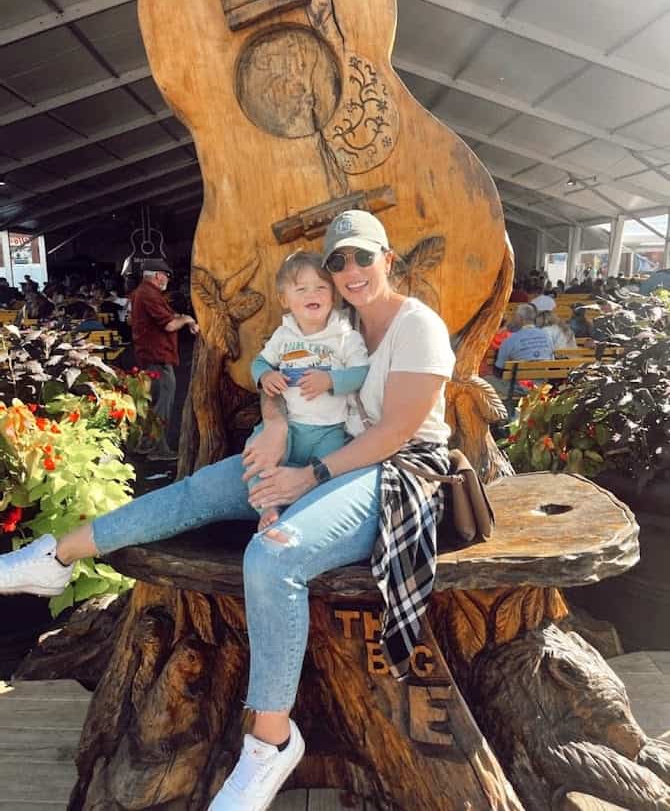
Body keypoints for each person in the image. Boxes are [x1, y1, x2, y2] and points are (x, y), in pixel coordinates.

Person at [0, 211, 456, 810]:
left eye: (362, 258)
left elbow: (396, 431)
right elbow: (282, 383)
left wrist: (306, 477)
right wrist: (273, 428)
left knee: (271, 558)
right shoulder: (334, 319)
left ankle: (270, 742)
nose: (350, 271)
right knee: (198, 492)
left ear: (387, 260)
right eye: (339, 261)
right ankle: (56, 555)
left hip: (394, 471)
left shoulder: (416, 325)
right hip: (318, 453)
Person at [246, 250, 368, 530]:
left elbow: (361, 373)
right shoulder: (284, 334)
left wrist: (331, 381)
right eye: (301, 289)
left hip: (330, 429)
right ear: (284, 300)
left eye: (321, 287)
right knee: (255, 450)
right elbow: (260, 362)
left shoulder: (344, 335)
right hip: (291, 426)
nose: (311, 294)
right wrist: (265, 374)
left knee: (327, 475)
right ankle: (268, 506)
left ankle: (304, 515)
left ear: (333, 295)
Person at [131, 258, 200, 461]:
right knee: (163, 404)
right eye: (166, 276)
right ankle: (158, 449)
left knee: (153, 403)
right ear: (158, 276)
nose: (167, 279)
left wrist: (183, 318)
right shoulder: (149, 294)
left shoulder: (142, 293)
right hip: (158, 357)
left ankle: (145, 444)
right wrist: (188, 320)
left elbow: (167, 317)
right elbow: (169, 324)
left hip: (149, 355)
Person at [494, 304, 554, 372]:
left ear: (519, 318)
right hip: (543, 379)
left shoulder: (510, 340)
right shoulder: (547, 336)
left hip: (515, 381)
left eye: (515, 316)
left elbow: (499, 367)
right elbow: (551, 360)